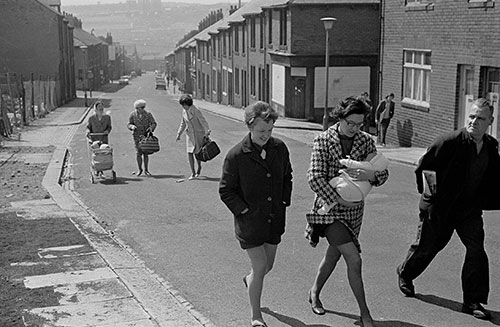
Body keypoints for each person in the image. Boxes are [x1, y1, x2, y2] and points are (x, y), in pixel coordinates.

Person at [397, 98, 500, 320]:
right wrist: (429, 197)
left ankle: (473, 301)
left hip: (469, 210)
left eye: (480, 118)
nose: (474, 121)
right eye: (471, 116)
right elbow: (425, 169)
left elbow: (495, 177)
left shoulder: (491, 147)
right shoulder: (449, 142)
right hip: (441, 208)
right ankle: (405, 273)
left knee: (477, 250)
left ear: (490, 121)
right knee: (428, 247)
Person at [306, 96, 389, 327]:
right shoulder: (323, 140)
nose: (354, 128)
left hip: (354, 215)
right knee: (354, 259)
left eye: (359, 124)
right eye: (350, 123)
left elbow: (382, 172)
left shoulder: (365, 141)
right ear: (340, 118)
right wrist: (342, 200)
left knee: (334, 255)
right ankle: (365, 314)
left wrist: (370, 175)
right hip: (330, 210)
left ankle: (314, 292)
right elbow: (314, 178)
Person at [219, 101, 293, 327]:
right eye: (262, 131)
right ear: (250, 126)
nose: (266, 135)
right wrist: (244, 211)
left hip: (273, 219)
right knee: (260, 267)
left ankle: (249, 280)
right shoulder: (236, 155)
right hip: (250, 223)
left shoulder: (279, 148)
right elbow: (226, 190)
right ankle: (256, 315)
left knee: (265, 268)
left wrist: (283, 202)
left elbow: (287, 176)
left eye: (270, 130)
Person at [176, 94, 211, 180]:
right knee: (189, 153)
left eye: (183, 105)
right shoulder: (184, 111)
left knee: (197, 153)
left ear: (187, 104)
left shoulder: (196, 111)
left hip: (198, 134)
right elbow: (183, 123)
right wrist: (179, 133)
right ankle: (193, 172)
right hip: (190, 135)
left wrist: (207, 130)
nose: (183, 107)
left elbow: (203, 121)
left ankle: (199, 166)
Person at [127, 99, 157, 176]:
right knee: (138, 153)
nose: (143, 109)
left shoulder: (148, 114)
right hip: (137, 136)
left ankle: (146, 170)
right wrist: (132, 127)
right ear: (137, 108)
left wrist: (151, 128)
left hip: (145, 135)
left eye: (144, 107)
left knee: (145, 153)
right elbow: (129, 124)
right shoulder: (132, 115)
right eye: (141, 107)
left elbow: (154, 123)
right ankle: (140, 169)